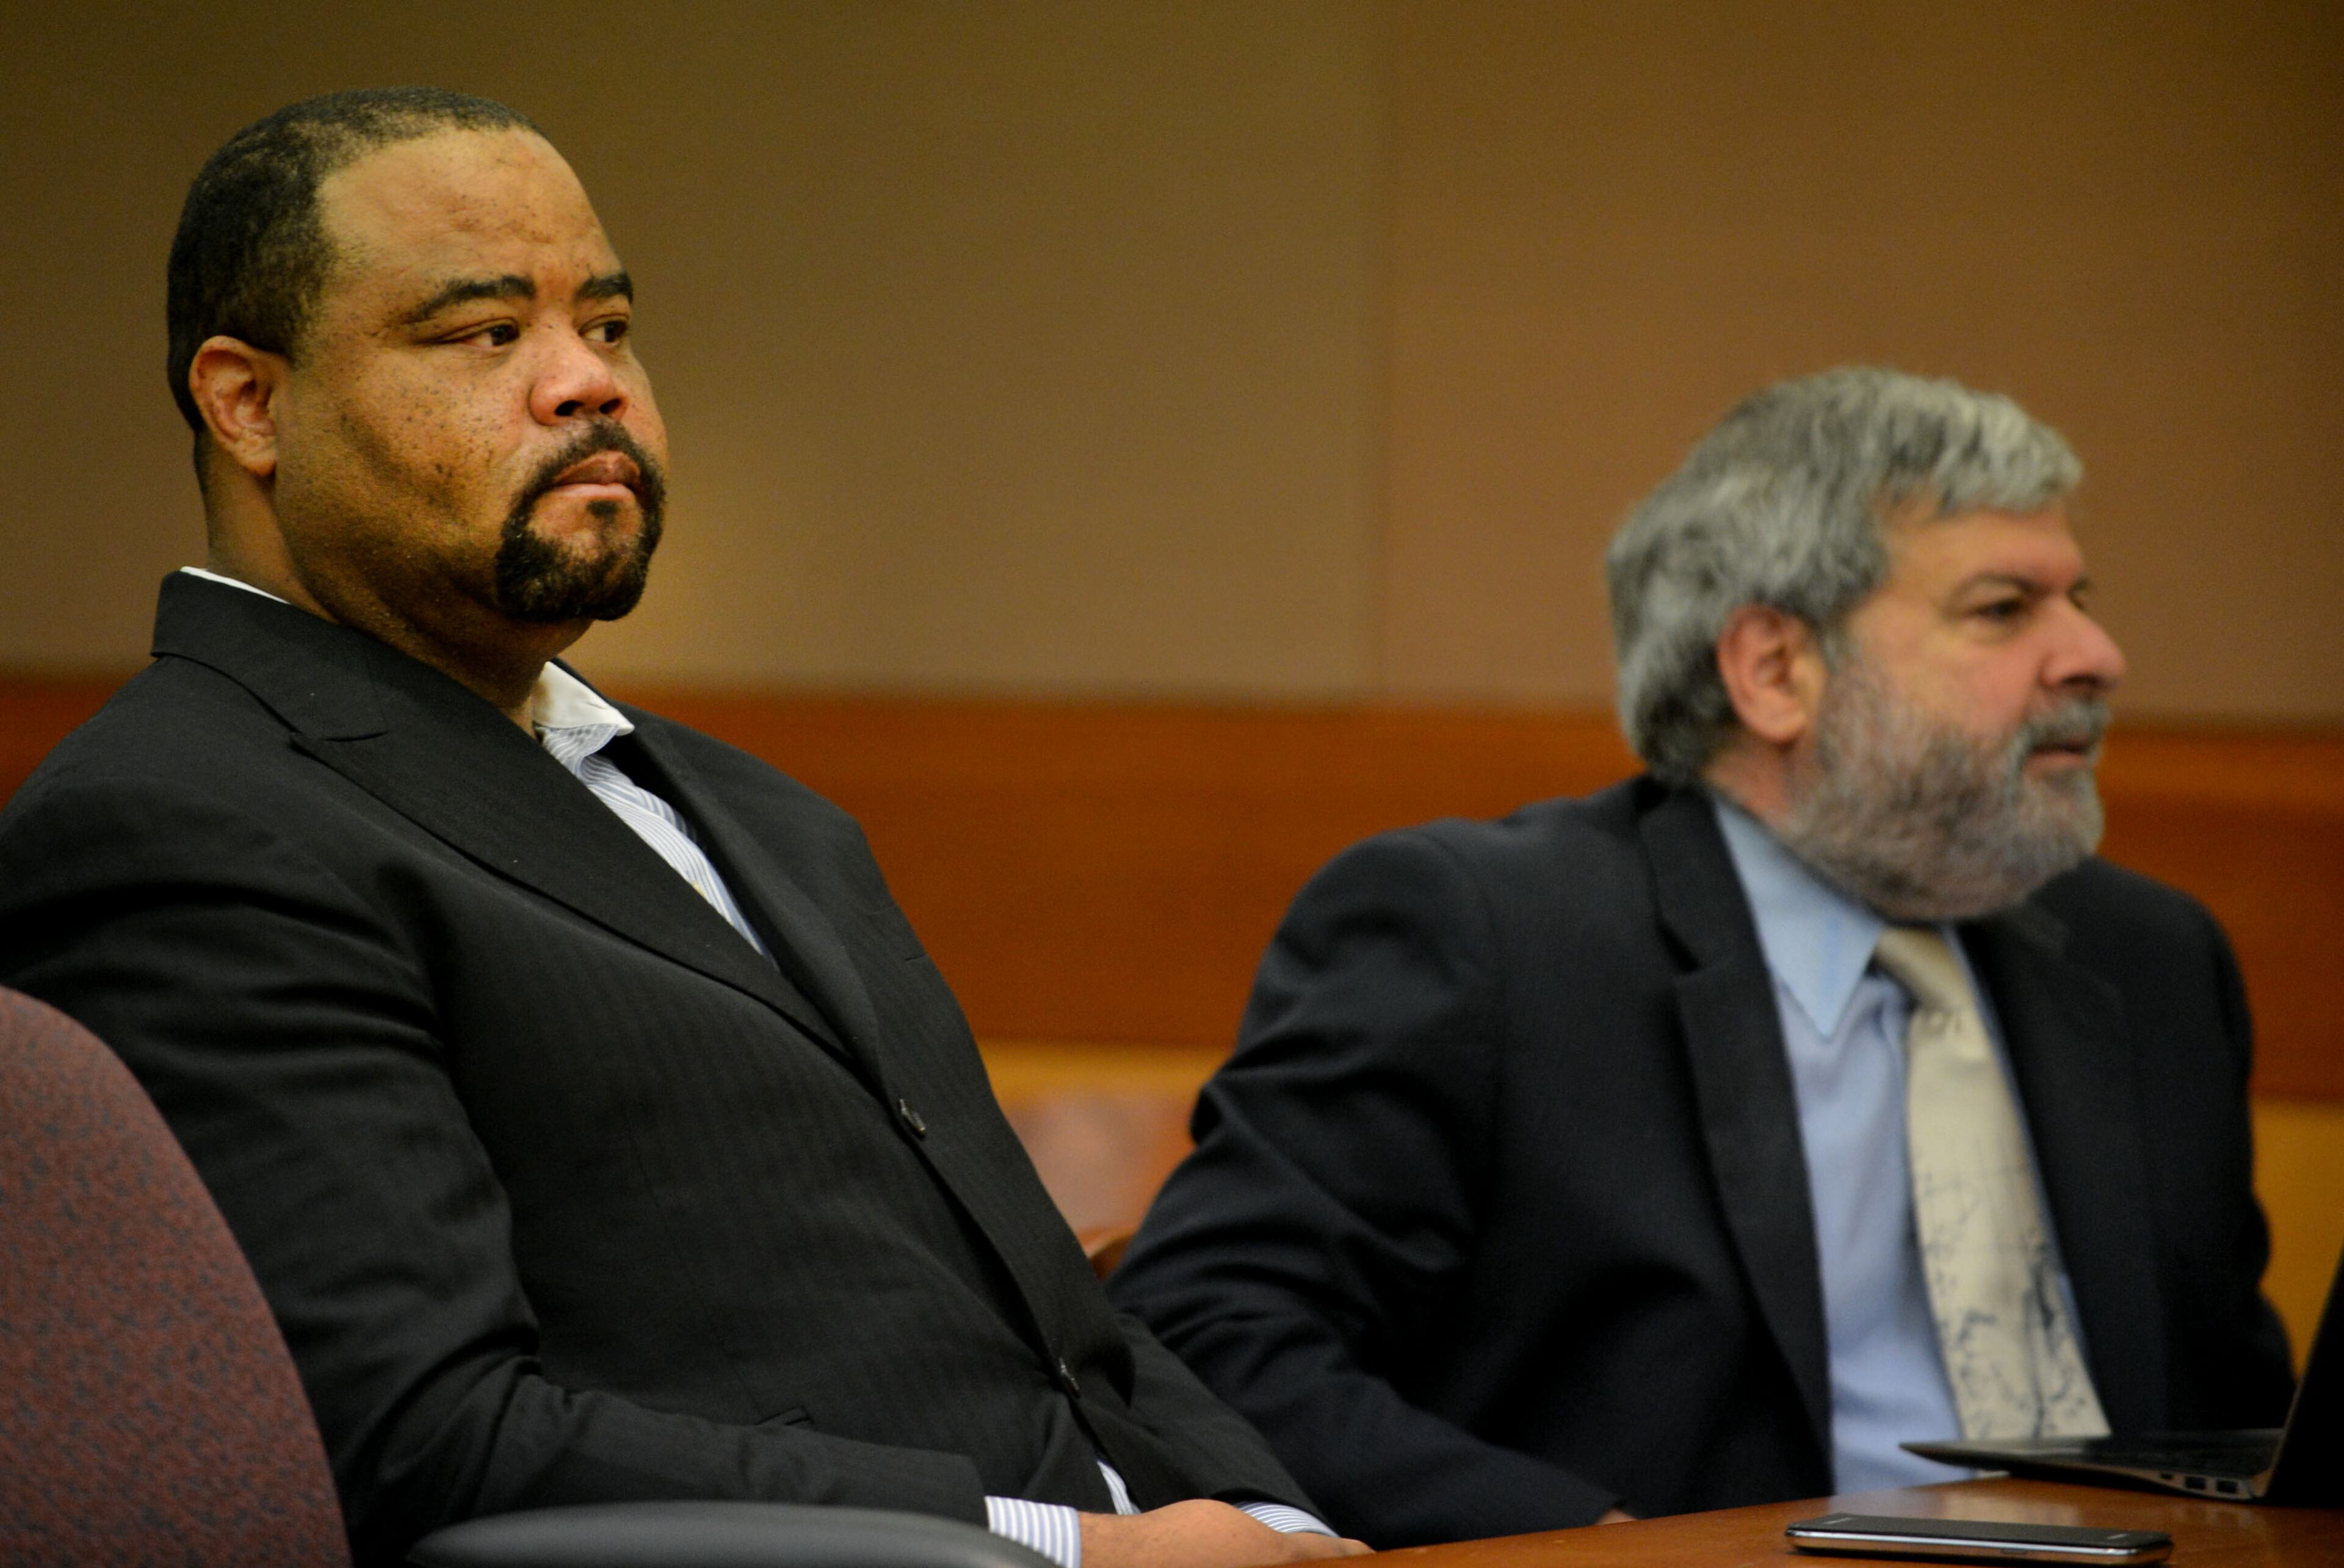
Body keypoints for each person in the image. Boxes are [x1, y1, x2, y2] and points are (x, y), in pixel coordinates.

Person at [0, 89, 1364, 1568]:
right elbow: (412, 1439)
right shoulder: (179, 822)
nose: (588, 384)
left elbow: (1057, 1328)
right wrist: (1066, 1551)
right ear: (248, 403)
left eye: (610, 322)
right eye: (485, 334)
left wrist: (1278, 1515)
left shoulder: (768, 812)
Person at [1107, 368, 2296, 1545]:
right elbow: (1205, 1329)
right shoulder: (1486, 936)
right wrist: (1601, 1547)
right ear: (1774, 670)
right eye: (2004, 609)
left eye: (2080, 596)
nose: (2097, 651)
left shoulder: (2154, 961)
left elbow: (2236, 1421)